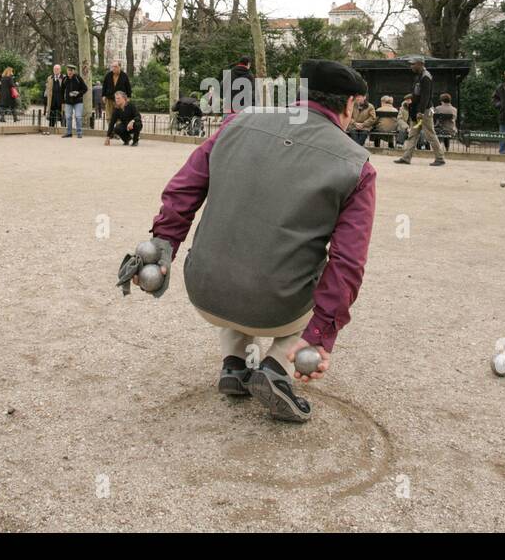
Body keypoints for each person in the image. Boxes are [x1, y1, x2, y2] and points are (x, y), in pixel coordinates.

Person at [141, 60, 376, 423]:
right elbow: (348, 263)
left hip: (204, 287)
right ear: (348, 105)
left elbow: (182, 189)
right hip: (276, 307)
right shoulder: (357, 164)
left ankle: (235, 365)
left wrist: (162, 246)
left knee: (243, 246)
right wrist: (320, 336)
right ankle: (277, 367)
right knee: (306, 271)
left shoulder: (236, 122)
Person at [395, 56, 446, 166]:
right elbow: (419, 94)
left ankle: (440, 158)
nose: (411, 66)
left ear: (420, 64)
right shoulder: (420, 76)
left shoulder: (425, 77)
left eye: (413, 64)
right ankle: (406, 158)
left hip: (424, 111)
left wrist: (421, 112)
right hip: (418, 111)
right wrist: (412, 97)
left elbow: (426, 96)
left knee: (430, 134)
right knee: (413, 134)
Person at [102, 61, 131, 144]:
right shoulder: (108, 75)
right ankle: (110, 132)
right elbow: (104, 86)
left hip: (120, 100)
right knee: (109, 116)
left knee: (119, 117)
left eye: (115, 67)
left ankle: (118, 132)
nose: (113, 68)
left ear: (119, 67)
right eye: (112, 67)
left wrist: (128, 97)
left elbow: (128, 87)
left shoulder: (124, 76)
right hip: (110, 99)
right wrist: (103, 95)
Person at [62, 66, 88, 137]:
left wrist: (78, 93)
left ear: (74, 71)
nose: (69, 72)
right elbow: (62, 91)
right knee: (68, 117)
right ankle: (69, 133)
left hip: (78, 101)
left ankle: (79, 133)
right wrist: (63, 101)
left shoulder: (78, 78)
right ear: (67, 71)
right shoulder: (65, 79)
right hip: (68, 102)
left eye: (71, 70)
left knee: (78, 117)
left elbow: (85, 89)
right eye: (68, 70)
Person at [45, 63, 65, 128]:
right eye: (55, 69)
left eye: (57, 69)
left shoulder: (64, 77)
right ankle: (51, 129)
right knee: (52, 116)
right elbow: (48, 89)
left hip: (61, 100)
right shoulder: (50, 78)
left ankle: (64, 129)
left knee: (63, 115)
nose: (56, 70)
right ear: (53, 70)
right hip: (52, 100)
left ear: (60, 70)